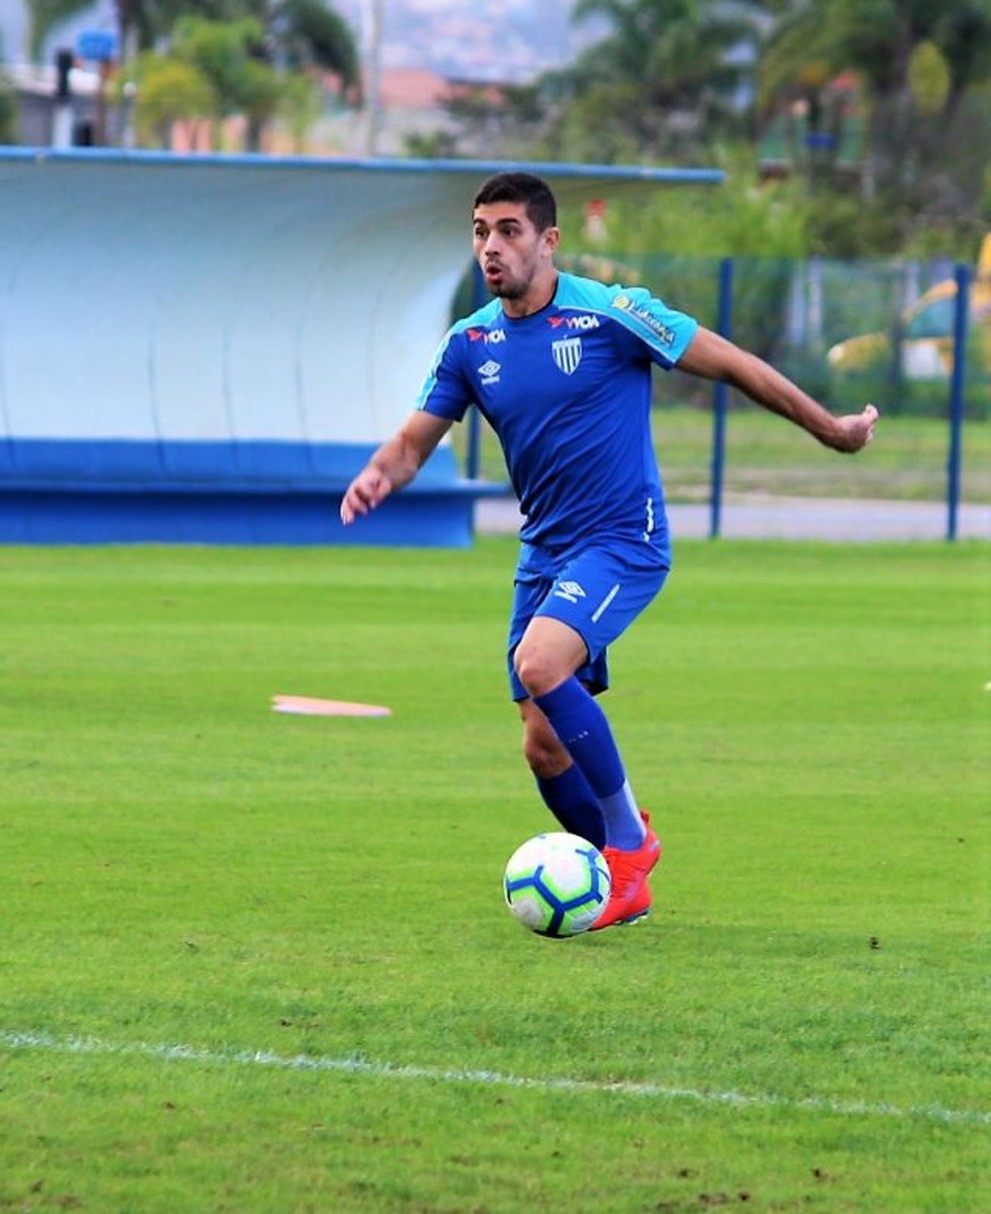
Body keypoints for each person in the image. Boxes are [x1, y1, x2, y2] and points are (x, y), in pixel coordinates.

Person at [341, 171, 878, 931]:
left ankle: (631, 845)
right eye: (480, 232)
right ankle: (611, 886)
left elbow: (734, 365)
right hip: (545, 555)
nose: (491, 247)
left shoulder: (613, 315)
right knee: (542, 747)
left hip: (625, 539)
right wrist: (376, 477)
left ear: (549, 240)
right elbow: (411, 444)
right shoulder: (471, 343)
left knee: (540, 664)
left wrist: (830, 429)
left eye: (509, 231)